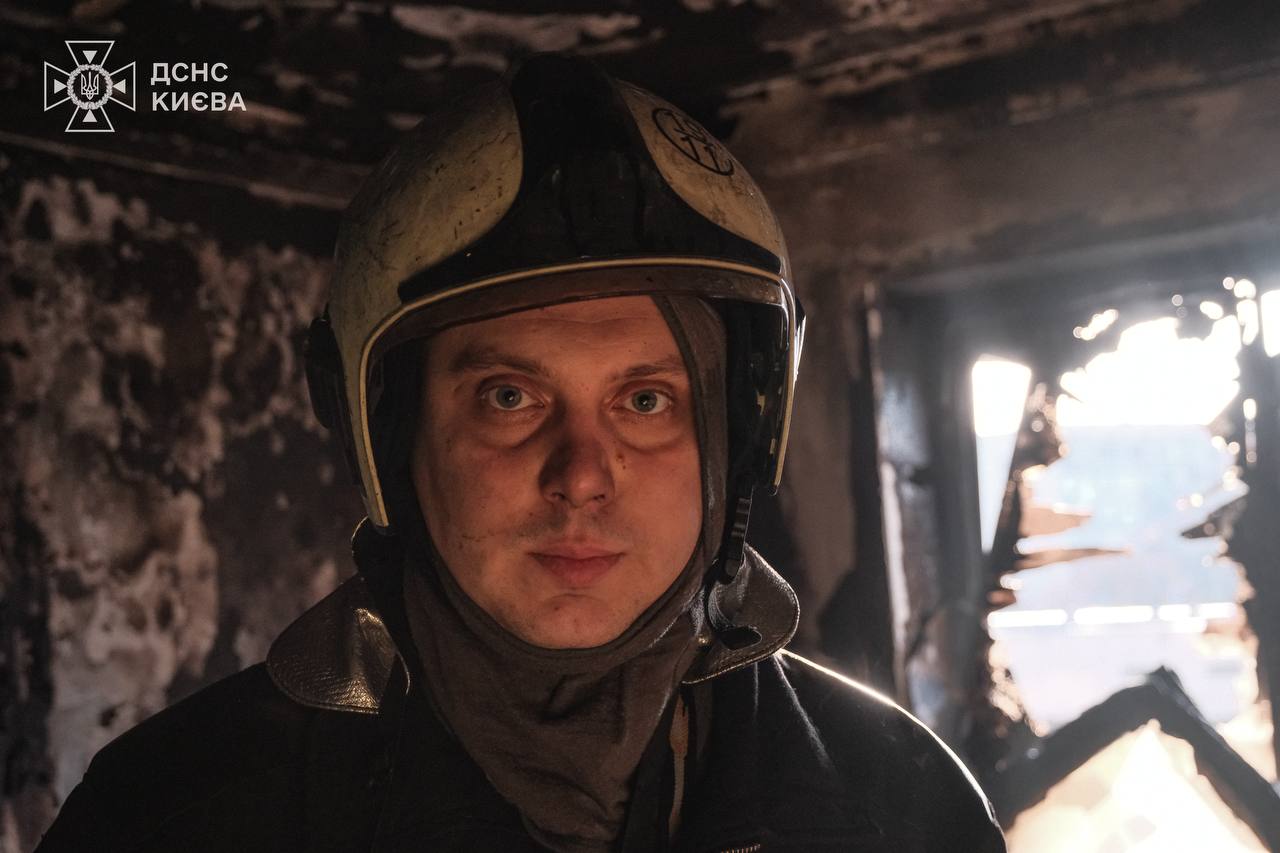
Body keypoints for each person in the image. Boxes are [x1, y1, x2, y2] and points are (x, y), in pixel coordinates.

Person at [37, 54, 1005, 852]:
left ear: (732, 439)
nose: (580, 476)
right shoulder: (173, 815)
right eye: (509, 397)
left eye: (646, 400)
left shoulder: (899, 803)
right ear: (391, 437)